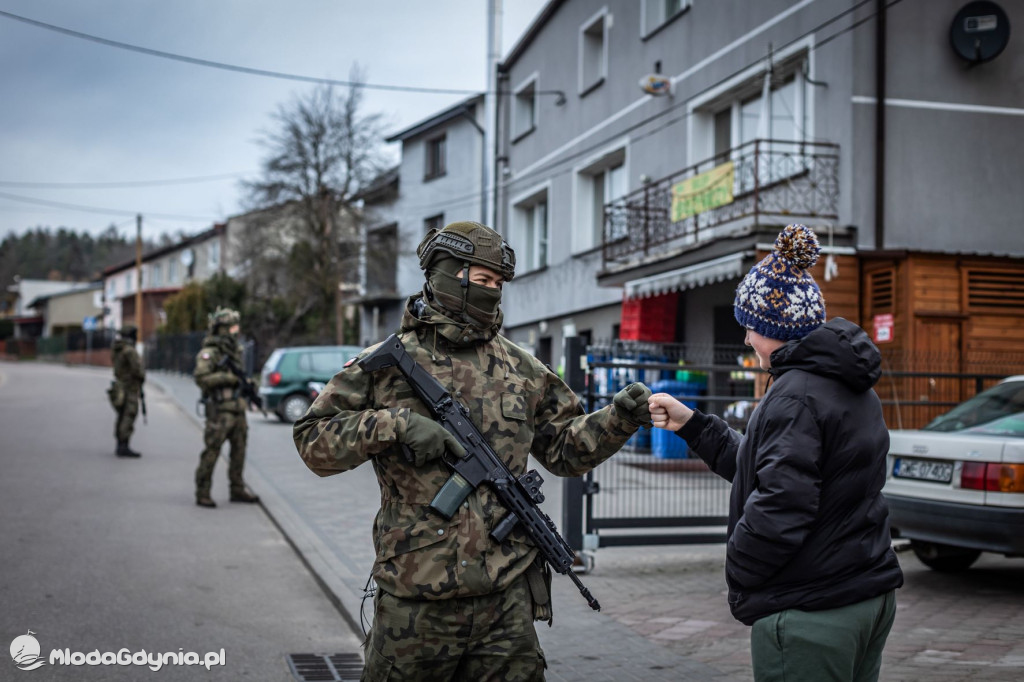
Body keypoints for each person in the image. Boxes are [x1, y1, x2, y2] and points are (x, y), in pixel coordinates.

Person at [293, 221, 652, 681]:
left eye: (498, 284)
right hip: (416, 602)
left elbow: (565, 450)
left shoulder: (522, 368)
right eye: (482, 281)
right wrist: (394, 424)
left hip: (505, 603)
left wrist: (618, 418)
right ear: (446, 275)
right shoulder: (385, 362)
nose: (492, 294)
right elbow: (312, 442)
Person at [648, 224, 903, 682]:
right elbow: (773, 466)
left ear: (774, 327)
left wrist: (740, 569)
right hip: (865, 595)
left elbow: (781, 504)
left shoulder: (795, 396)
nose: (746, 339)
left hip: (811, 612)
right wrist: (693, 424)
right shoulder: (846, 385)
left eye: (750, 326)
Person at [193, 307, 260, 508]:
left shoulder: (235, 352)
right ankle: (202, 491)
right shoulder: (209, 353)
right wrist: (228, 378)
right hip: (220, 411)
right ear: (222, 328)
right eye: (232, 327)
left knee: (239, 451)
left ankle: (237, 489)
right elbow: (201, 378)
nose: (236, 331)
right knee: (212, 451)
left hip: (237, 410)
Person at [109, 325, 145, 458]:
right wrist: (141, 377)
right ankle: (123, 445)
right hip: (129, 387)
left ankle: (120, 443)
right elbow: (138, 370)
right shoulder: (129, 351)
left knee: (121, 415)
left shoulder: (117, 348)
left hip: (120, 386)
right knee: (129, 414)